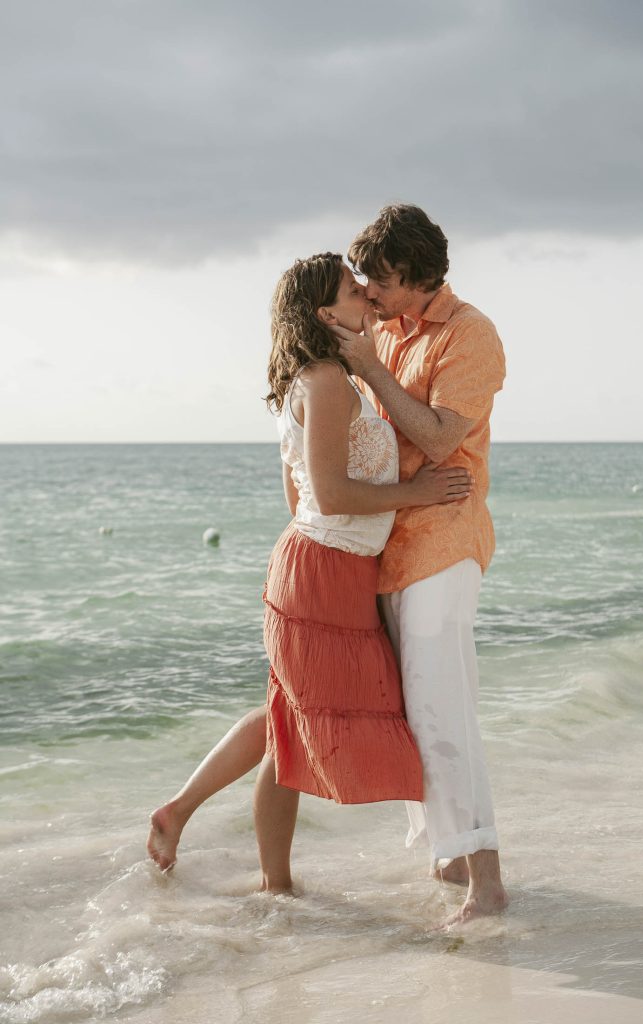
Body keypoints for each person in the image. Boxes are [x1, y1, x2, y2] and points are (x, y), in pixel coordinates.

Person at [148, 252, 471, 894]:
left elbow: (298, 500)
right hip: (321, 576)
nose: (367, 297)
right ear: (326, 313)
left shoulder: (329, 378)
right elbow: (326, 496)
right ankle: (273, 884)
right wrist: (418, 494)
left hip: (331, 572)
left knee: (287, 720)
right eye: (355, 291)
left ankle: (191, 823)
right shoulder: (324, 380)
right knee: (292, 726)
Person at [333, 204, 508, 924]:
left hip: (444, 538)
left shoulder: (471, 334)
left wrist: (370, 365)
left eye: (378, 280)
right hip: (390, 546)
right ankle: (449, 850)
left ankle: (488, 884)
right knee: (411, 709)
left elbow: (438, 440)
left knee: (443, 711)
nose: (368, 292)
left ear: (413, 274)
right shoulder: (387, 329)